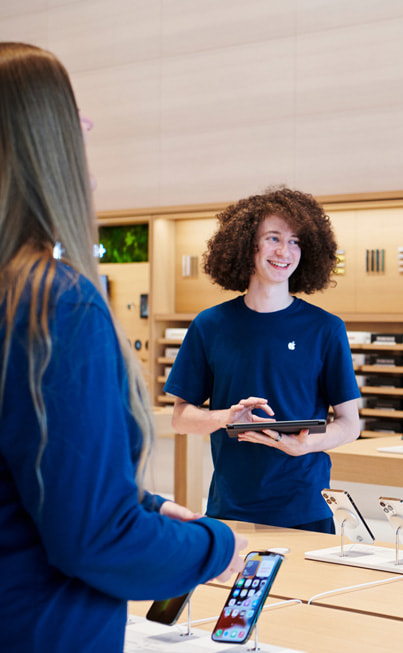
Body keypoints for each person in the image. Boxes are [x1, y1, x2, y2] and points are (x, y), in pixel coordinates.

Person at [0, 42, 245, 652]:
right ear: (43, 137)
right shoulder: (54, 305)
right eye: (74, 116)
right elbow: (94, 539)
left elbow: (27, 472)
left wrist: (140, 504)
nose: (87, 129)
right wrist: (215, 547)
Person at [165, 187, 361, 533]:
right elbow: (180, 417)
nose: (284, 251)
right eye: (273, 238)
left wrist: (305, 445)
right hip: (230, 506)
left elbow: (350, 423)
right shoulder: (210, 325)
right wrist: (225, 417)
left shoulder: (326, 328)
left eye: (295, 241)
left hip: (305, 505)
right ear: (247, 245)